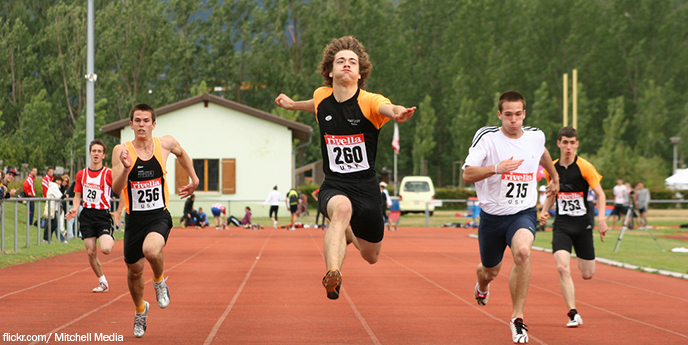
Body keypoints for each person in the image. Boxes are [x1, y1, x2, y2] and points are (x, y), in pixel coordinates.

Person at [275, 36, 416, 300]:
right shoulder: (321, 96)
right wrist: (293, 105)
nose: (347, 65)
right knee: (341, 209)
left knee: (370, 255)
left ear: (361, 73)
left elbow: (387, 107)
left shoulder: (370, 101)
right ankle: (333, 273)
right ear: (330, 70)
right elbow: (314, 104)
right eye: (341, 61)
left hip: (366, 187)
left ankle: (349, 231)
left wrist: (397, 112)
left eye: (353, 62)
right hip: (335, 183)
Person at [462, 90, 559, 344]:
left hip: (523, 213)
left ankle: (517, 319)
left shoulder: (536, 136)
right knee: (489, 270)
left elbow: (542, 151)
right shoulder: (486, 138)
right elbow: (467, 174)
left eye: (518, 114)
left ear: (524, 113)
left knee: (523, 252)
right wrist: (497, 168)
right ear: (499, 115)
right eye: (508, 115)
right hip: (492, 217)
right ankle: (482, 285)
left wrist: (554, 176)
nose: (513, 120)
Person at [111, 103, 199, 338]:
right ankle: (141, 310)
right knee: (134, 272)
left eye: (145, 120)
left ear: (153, 124)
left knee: (151, 251)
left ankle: (159, 281)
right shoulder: (122, 150)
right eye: (137, 120)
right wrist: (126, 169)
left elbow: (182, 153)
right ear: (131, 124)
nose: (141, 124)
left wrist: (194, 179)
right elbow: (115, 187)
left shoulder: (165, 144)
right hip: (134, 220)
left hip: (158, 215)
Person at [538, 126, 608, 328]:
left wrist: (601, 219)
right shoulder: (551, 168)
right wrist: (544, 211)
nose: (568, 147)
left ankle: (579, 258)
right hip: (562, 225)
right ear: (559, 144)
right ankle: (573, 313)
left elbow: (601, 194)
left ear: (577, 144)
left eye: (572, 142)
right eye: (565, 142)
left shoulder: (585, 167)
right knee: (562, 268)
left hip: (583, 225)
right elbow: (553, 193)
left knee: (587, 274)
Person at [65, 139, 116, 292]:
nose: (96, 154)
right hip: (86, 215)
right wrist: (75, 208)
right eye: (94, 151)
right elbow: (77, 195)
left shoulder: (109, 173)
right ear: (89, 153)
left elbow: (121, 189)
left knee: (106, 249)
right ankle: (103, 282)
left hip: (102, 215)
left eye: (99, 151)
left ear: (103, 155)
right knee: (91, 251)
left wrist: (120, 210)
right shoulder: (82, 174)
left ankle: (110, 235)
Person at [43, 175, 68, 243]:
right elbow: (59, 196)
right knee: (54, 224)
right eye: (58, 180)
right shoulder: (54, 186)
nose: (59, 182)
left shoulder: (55, 186)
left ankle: (47, 239)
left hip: (54, 208)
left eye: (60, 180)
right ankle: (59, 239)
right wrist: (65, 195)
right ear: (55, 181)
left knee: (52, 224)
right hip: (52, 208)